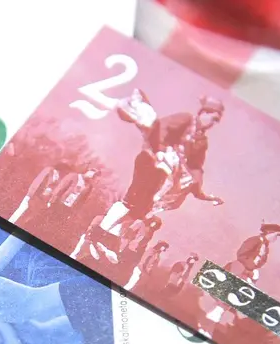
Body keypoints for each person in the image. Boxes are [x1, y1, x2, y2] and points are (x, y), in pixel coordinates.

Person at [71, 90, 224, 260]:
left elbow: (196, 167)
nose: (213, 124)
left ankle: (106, 239)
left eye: (216, 121)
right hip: (150, 160)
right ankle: (97, 234)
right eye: (213, 118)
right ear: (204, 112)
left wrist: (200, 192)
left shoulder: (201, 141)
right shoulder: (186, 119)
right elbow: (161, 128)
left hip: (164, 173)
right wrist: (160, 150)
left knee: (142, 209)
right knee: (132, 200)